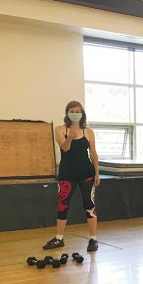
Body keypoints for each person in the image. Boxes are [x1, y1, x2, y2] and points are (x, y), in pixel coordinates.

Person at [43, 100, 100, 252]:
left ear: (82, 113)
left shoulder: (88, 132)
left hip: (86, 173)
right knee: (63, 205)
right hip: (67, 174)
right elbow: (65, 148)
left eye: (78, 111)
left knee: (90, 205)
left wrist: (97, 172)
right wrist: (70, 137)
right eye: (72, 111)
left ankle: (93, 240)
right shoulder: (60, 129)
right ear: (67, 113)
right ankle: (59, 239)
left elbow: (93, 153)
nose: (75, 114)